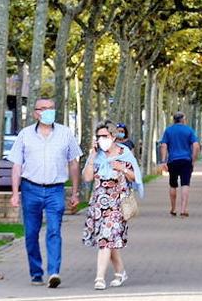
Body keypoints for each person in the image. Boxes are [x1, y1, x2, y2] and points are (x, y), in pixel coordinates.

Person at [8, 97, 82, 288]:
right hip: (30, 188)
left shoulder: (65, 133)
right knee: (31, 233)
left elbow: (74, 163)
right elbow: (17, 166)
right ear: (35, 113)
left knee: (54, 231)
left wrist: (75, 192)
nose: (48, 111)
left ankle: (54, 272)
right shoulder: (25, 135)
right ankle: (36, 272)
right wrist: (15, 193)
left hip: (55, 190)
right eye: (43, 108)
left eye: (51, 108)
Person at [82, 121, 143, 290]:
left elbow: (135, 177)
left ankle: (99, 278)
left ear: (113, 136)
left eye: (105, 136)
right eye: (99, 136)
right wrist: (92, 156)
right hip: (99, 204)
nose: (102, 139)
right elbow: (87, 178)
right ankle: (120, 272)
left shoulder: (124, 154)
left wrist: (122, 168)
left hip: (117, 204)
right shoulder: (96, 156)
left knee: (106, 239)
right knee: (108, 241)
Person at [158, 112, 200, 217]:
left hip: (172, 161)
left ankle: (173, 208)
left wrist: (163, 161)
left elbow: (163, 145)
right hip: (186, 160)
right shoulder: (189, 130)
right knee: (185, 184)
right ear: (183, 119)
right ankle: (183, 209)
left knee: (173, 184)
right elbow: (196, 146)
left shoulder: (168, 130)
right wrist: (193, 160)